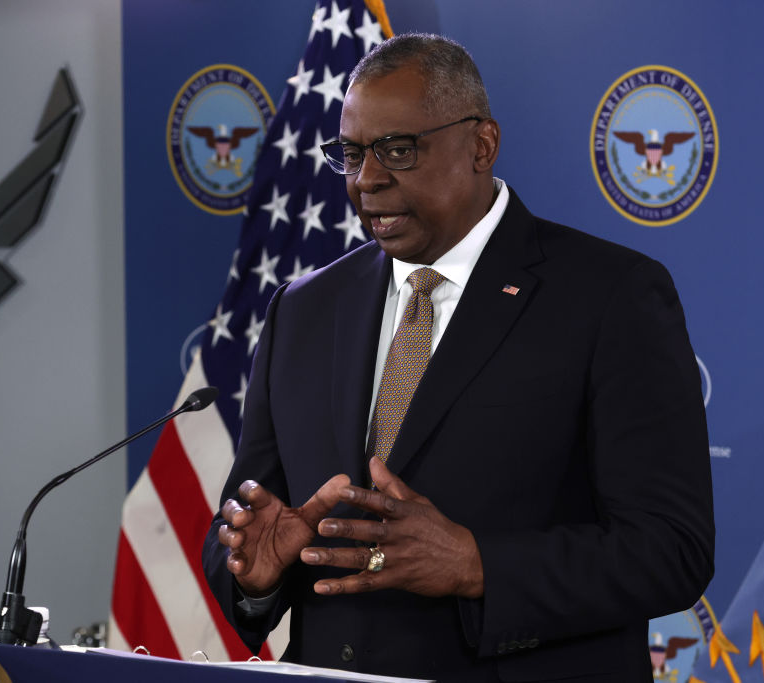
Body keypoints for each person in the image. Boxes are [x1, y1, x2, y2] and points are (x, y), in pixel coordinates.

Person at [202, 33, 714, 682]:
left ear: (481, 145)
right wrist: (256, 575)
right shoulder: (303, 310)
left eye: (398, 149)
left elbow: (672, 549)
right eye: (351, 153)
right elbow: (244, 530)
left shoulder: (610, 296)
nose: (367, 179)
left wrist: (477, 563)